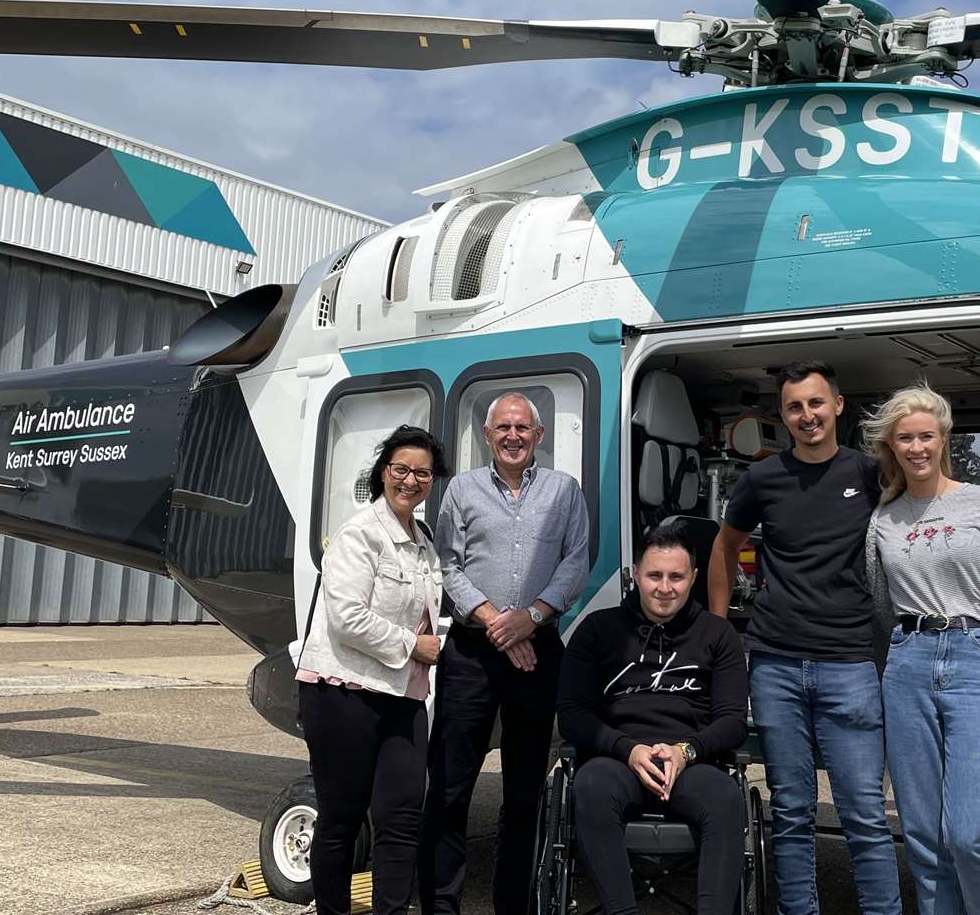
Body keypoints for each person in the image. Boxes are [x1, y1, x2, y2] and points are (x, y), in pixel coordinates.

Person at [706, 360, 902, 915]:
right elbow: (724, 547)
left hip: (851, 663)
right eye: (795, 407)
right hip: (775, 664)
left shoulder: (869, 475)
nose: (807, 415)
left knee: (863, 810)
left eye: (816, 403)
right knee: (790, 808)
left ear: (837, 406)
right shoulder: (762, 478)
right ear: (783, 416)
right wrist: (720, 631)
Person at [861, 384, 980, 915]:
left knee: (972, 834)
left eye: (926, 436)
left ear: (944, 439)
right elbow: (883, 606)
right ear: (892, 447)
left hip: (979, 660)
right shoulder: (883, 520)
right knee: (923, 837)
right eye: (905, 439)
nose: (917, 447)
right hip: (908, 664)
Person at [422, 392, 591, 915]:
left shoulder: (565, 491)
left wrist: (532, 618)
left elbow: (577, 560)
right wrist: (500, 622)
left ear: (538, 436)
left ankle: (511, 905)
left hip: (537, 653)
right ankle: (439, 905)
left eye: (523, 427)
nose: (513, 436)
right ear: (489, 435)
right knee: (450, 788)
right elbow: (447, 565)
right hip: (473, 653)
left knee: (523, 794)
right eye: (503, 428)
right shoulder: (462, 491)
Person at [556, 519, 750, 915]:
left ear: (694, 577)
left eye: (676, 577)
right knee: (590, 786)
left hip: (690, 763)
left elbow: (732, 721)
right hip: (617, 760)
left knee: (726, 797)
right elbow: (572, 714)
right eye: (654, 575)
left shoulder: (718, 635)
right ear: (635, 576)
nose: (665, 587)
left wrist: (686, 751)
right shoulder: (597, 629)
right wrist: (627, 750)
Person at [293, 424, 449, 915]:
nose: (411, 480)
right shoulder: (359, 534)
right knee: (341, 817)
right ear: (383, 472)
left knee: (402, 818)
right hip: (344, 692)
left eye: (422, 473)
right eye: (401, 469)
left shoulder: (423, 540)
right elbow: (346, 618)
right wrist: (413, 646)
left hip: (402, 695)